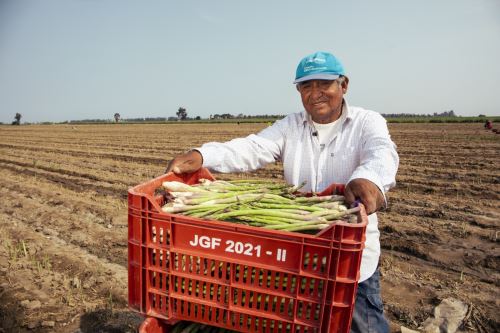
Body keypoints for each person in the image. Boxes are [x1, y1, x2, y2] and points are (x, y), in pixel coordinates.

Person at [166, 51, 399, 333]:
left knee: (363, 325)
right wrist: (203, 155)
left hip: (351, 259)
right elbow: (251, 147)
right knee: (305, 322)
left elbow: (381, 152)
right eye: (306, 86)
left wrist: (368, 179)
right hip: (299, 256)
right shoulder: (290, 126)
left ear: (344, 85)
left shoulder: (366, 122)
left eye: (324, 84)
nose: (315, 94)